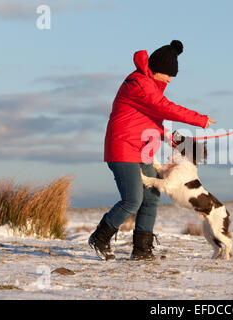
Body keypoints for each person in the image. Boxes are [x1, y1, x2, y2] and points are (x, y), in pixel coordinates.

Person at [89, 40, 216, 261]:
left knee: (151, 198)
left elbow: (151, 119)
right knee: (132, 200)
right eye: (168, 75)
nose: (170, 80)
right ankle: (100, 238)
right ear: (157, 69)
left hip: (142, 150)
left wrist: (168, 137)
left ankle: (141, 250)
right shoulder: (138, 84)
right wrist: (200, 120)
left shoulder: (150, 87)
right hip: (123, 149)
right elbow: (164, 108)